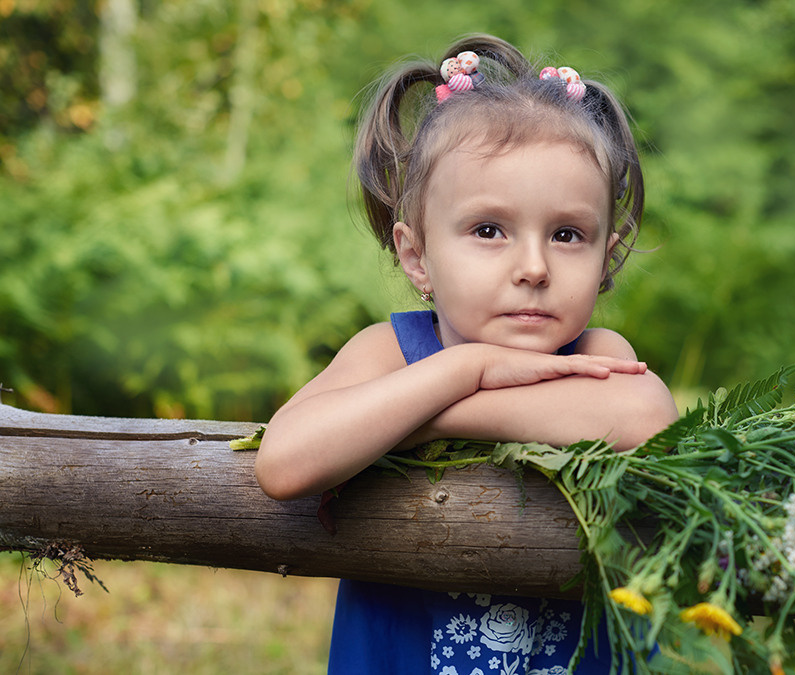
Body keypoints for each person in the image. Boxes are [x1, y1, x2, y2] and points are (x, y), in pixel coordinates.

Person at [254, 34, 680, 674]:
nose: (533, 267)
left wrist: (427, 417)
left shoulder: (594, 353)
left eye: (567, 235)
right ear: (416, 253)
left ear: (606, 257)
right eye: (489, 230)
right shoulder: (390, 351)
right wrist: (465, 367)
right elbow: (284, 464)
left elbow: (648, 419)